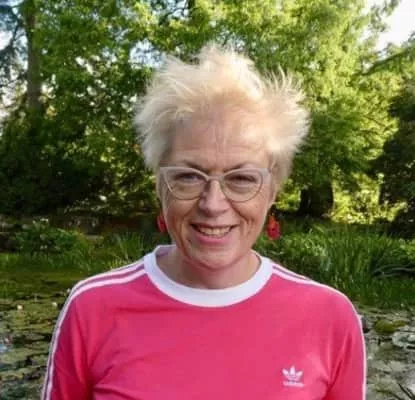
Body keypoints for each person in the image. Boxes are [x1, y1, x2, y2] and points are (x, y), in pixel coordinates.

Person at [41, 44, 366, 400]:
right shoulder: (93, 309)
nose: (213, 204)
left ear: (273, 190)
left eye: (241, 179)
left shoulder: (329, 318)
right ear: (160, 185)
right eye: (189, 176)